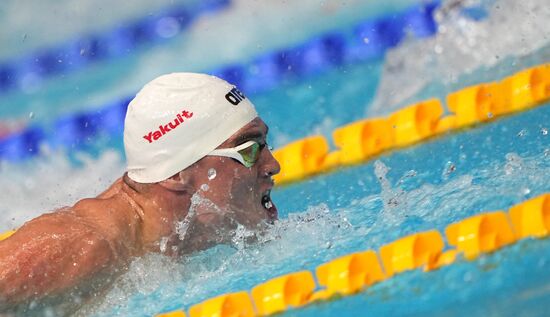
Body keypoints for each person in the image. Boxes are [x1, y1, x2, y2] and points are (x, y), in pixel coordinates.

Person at [0, 73, 281, 313]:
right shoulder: (88, 246)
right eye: (249, 150)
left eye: (265, 144)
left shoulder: (166, 242)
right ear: (176, 173)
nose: (273, 165)